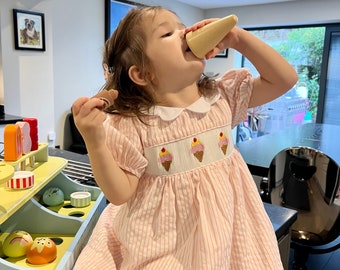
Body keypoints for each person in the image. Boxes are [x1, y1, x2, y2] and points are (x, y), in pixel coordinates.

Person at [72, 6, 298, 270]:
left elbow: (285, 79)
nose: (185, 33)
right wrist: (94, 139)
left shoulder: (221, 97)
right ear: (143, 74)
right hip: (162, 241)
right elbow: (120, 193)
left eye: (182, 27)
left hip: (229, 232)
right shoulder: (134, 123)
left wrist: (237, 38)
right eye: (168, 33)